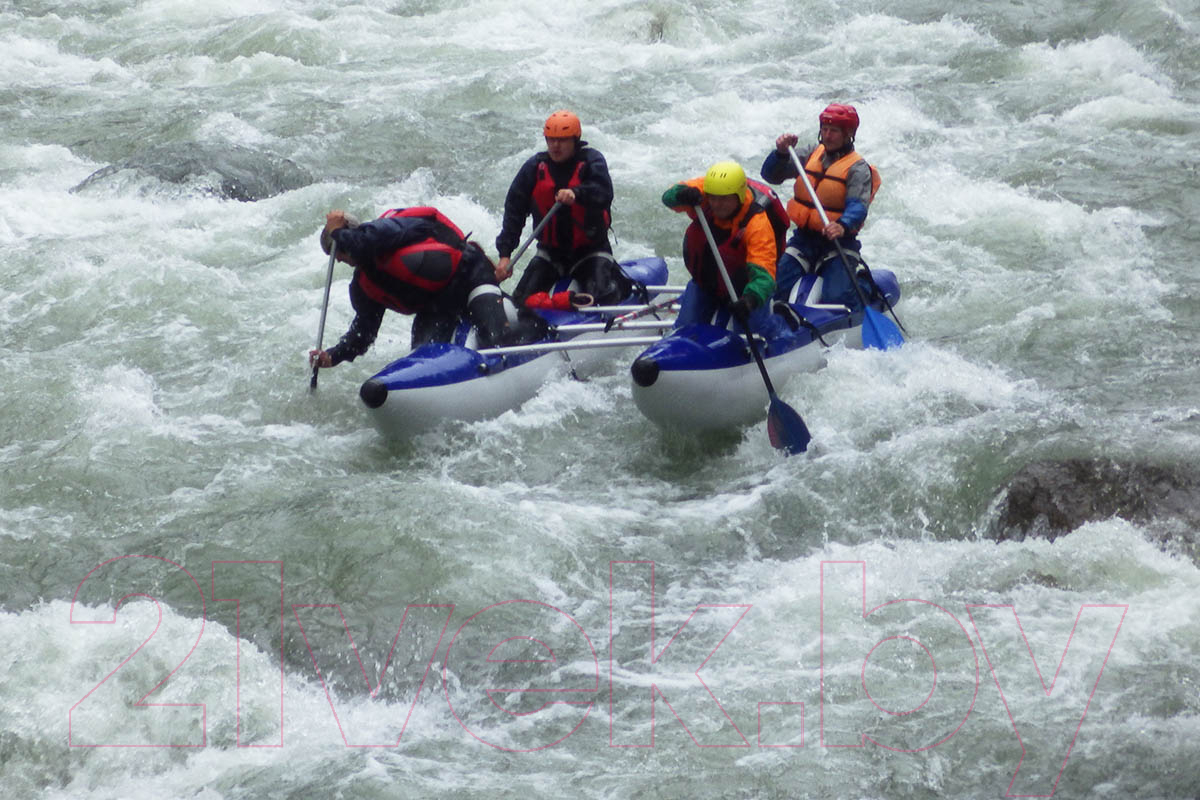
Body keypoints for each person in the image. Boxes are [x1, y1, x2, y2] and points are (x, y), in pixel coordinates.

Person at [309, 206, 535, 370]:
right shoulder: (363, 286)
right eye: (334, 256)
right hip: (436, 308)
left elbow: (365, 241)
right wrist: (333, 356)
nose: (338, 261)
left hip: (470, 278)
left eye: (338, 253)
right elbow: (364, 331)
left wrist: (337, 233)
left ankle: (539, 332)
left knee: (496, 337)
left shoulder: (387, 230)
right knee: (424, 361)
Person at [494, 110, 630, 307]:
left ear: (575, 140)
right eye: (551, 140)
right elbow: (514, 212)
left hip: (590, 250)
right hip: (551, 253)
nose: (556, 146)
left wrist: (577, 193)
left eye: (563, 140)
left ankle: (619, 286)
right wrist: (505, 255)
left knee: (603, 296)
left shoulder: (592, 161)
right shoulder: (534, 167)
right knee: (521, 302)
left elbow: (603, 192)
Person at [759, 102, 881, 309]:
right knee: (774, 287)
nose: (827, 135)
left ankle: (863, 285)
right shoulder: (810, 154)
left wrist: (842, 225)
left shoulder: (858, 168)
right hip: (804, 240)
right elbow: (772, 175)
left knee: (837, 296)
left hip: (838, 242)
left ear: (848, 134)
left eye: (834, 131)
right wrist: (780, 153)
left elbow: (858, 207)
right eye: (824, 129)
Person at [661, 160, 787, 338]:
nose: (717, 204)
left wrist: (749, 301)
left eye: (724, 199)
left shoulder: (757, 224)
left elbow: (764, 274)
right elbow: (668, 197)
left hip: (745, 288)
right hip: (707, 283)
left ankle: (783, 322)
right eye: (713, 198)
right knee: (683, 328)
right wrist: (682, 195)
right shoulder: (704, 196)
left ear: (739, 196)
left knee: (755, 331)